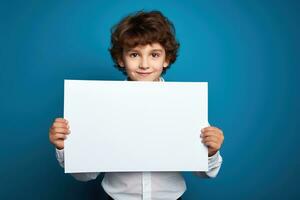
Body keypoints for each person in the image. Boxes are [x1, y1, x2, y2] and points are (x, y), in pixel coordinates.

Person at [49, 10, 224, 200]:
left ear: (166, 59)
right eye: (134, 55)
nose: (144, 64)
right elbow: (84, 175)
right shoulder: (101, 105)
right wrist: (64, 147)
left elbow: (205, 173)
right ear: (120, 59)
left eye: (154, 55)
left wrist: (211, 152)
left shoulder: (185, 104)